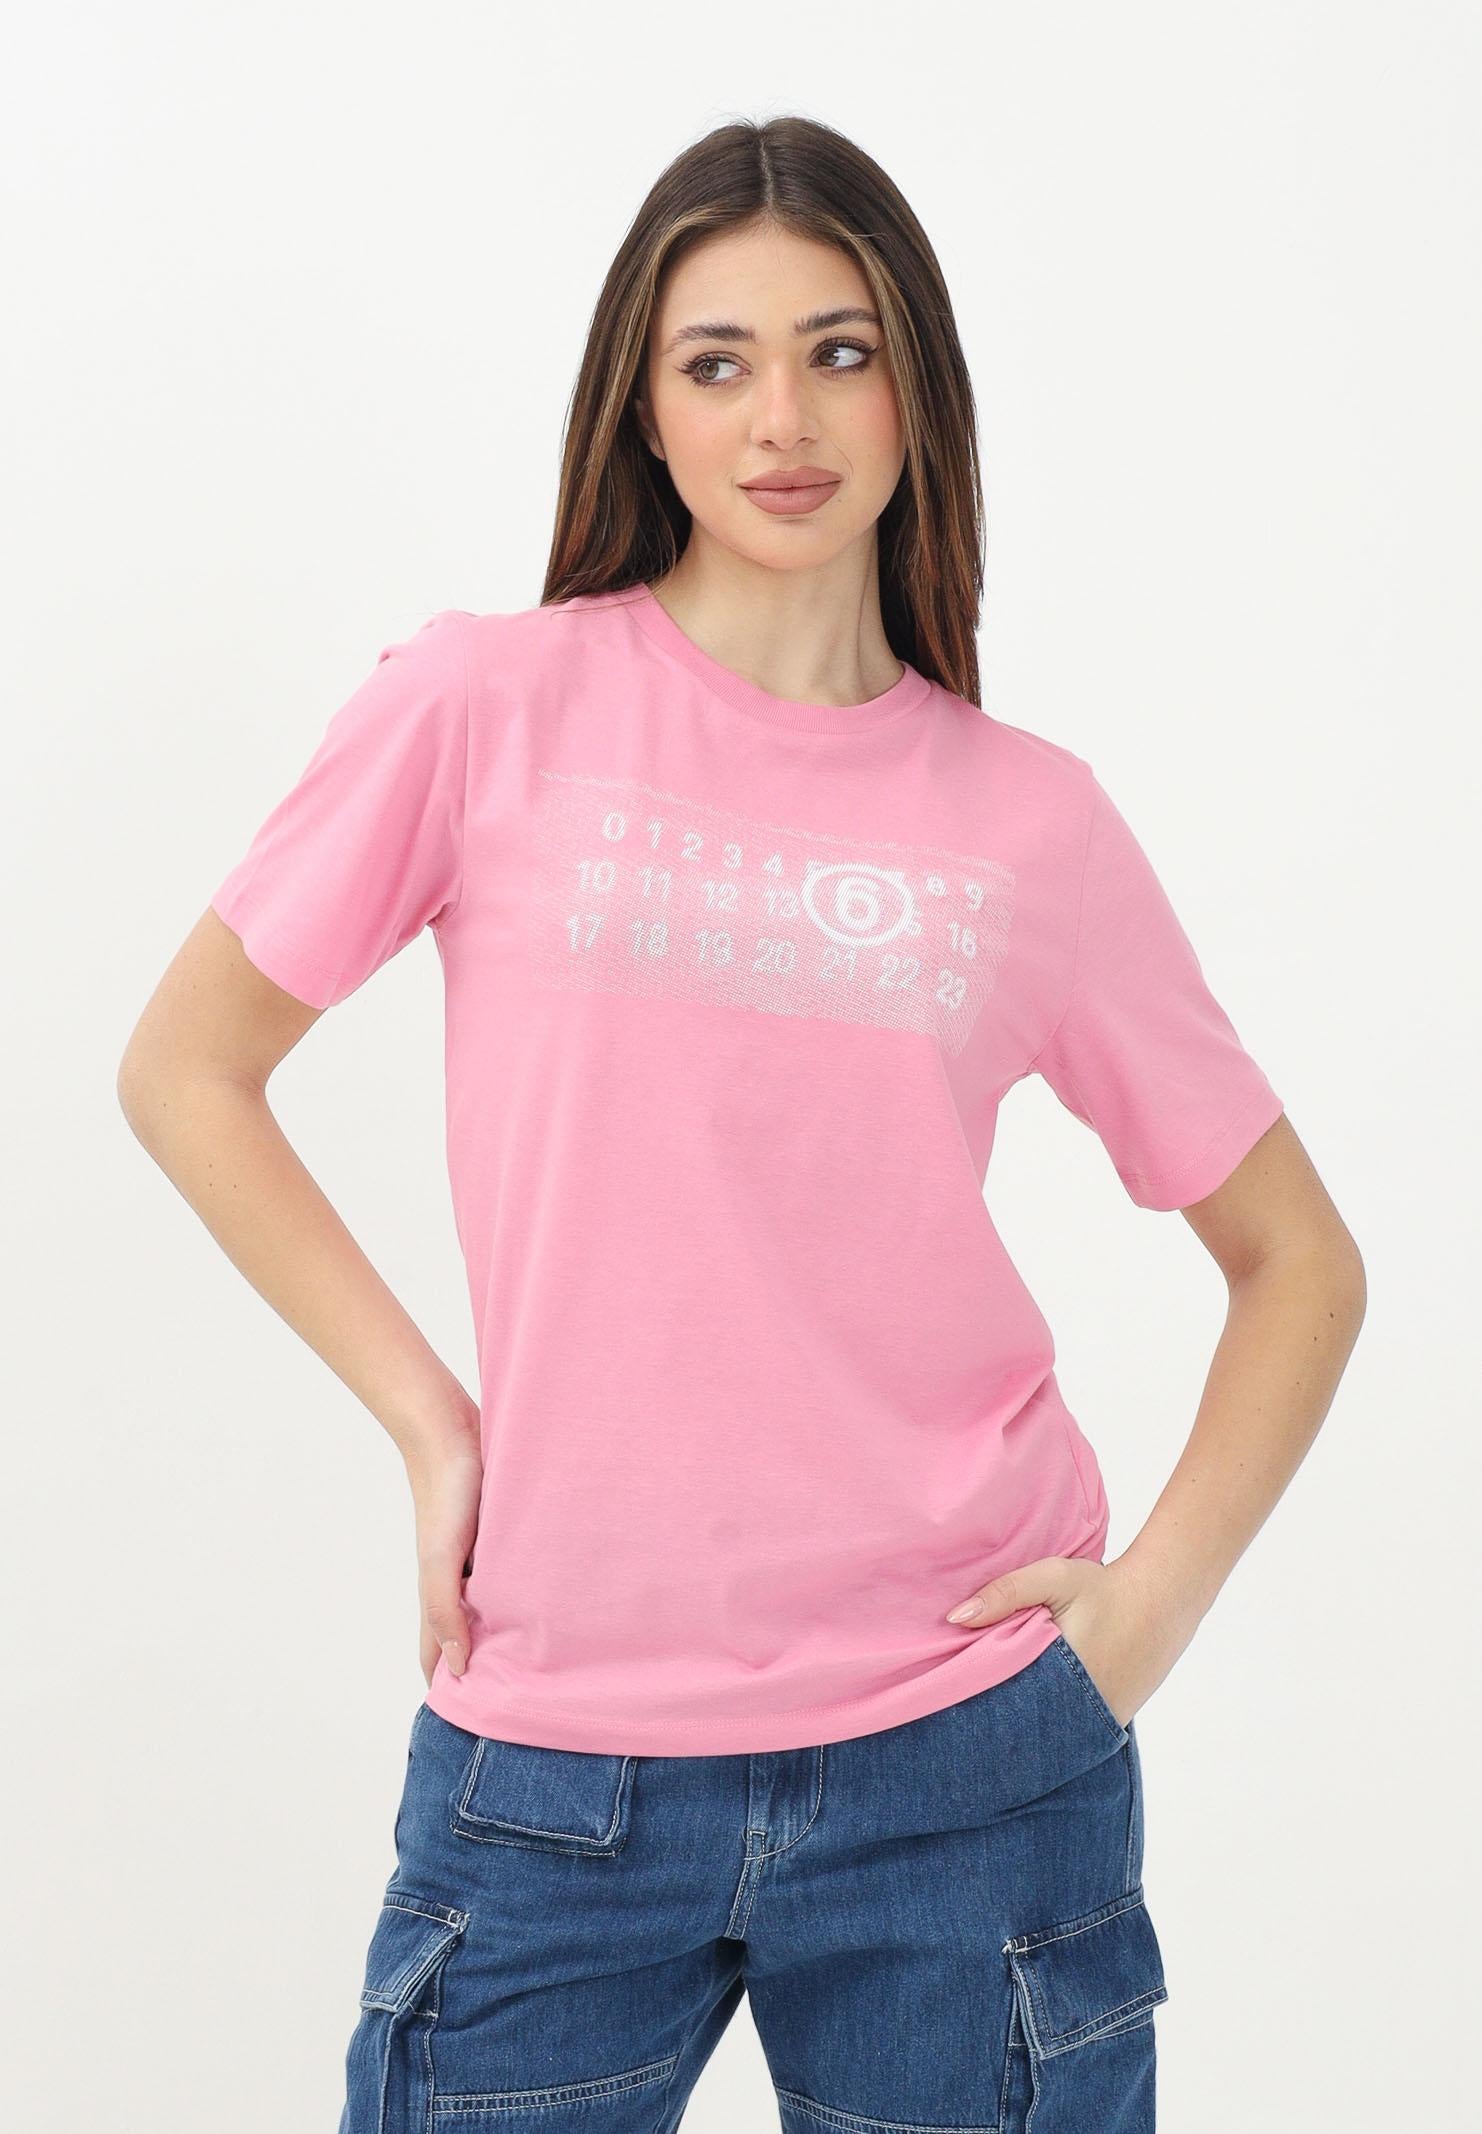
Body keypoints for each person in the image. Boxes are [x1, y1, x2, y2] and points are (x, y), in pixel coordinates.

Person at [117, 113, 1365, 2134]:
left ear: (914, 390)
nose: (781, 418)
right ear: (646, 404)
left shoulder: (1030, 823)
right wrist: (434, 1419)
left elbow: (1298, 1258)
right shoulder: (481, 705)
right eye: (717, 362)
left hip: (968, 1760)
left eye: (837, 351)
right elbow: (186, 1066)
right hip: (556, 1756)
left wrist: (1141, 1614)